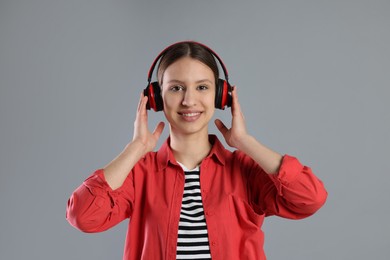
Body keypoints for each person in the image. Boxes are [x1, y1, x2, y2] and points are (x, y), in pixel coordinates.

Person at [66, 41, 327, 260]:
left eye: (202, 87)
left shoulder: (246, 171)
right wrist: (135, 149)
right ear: (156, 99)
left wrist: (246, 142)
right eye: (176, 88)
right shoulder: (139, 174)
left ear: (220, 96)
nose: (189, 100)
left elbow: (309, 198)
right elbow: (84, 215)